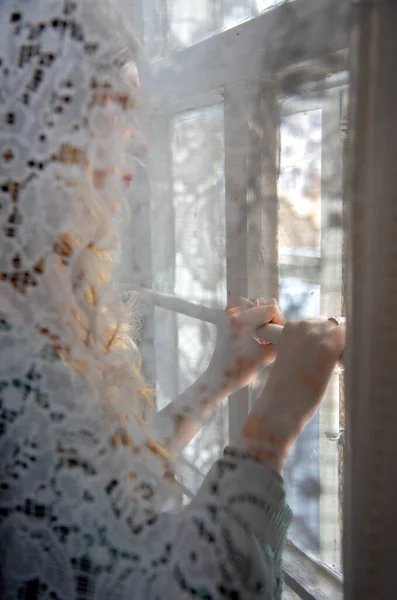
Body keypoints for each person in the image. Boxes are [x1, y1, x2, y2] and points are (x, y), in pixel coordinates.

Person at [0, 1, 345, 599]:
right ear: (46, 125)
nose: (141, 145)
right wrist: (277, 418)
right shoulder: (16, 361)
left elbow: (96, 495)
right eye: (118, 108)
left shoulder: (27, 314)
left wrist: (216, 381)